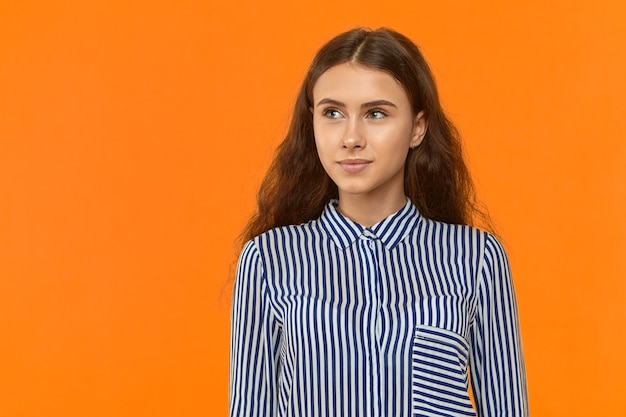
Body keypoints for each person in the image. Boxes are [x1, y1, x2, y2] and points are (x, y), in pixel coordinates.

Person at [229, 27, 528, 417]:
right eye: (332, 113)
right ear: (313, 123)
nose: (351, 138)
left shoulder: (477, 259)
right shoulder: (269, 259)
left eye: (376, 113)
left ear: (417, 127)